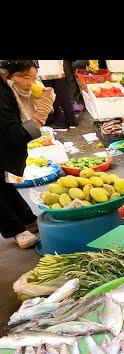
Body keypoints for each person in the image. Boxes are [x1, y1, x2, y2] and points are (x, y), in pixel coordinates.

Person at [0, 61, 42, 249]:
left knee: (4, 181)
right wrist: (38, 121)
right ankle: (17, 230)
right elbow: (14, 132)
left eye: (33, 78)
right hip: (5, 140)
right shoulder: (1, 95)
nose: (30, 83)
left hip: (5, 145)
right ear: (7, 74)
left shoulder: (10, 90)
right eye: (25, 77)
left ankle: (27, 219)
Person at [2, 60, 56, 130]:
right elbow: (18, 135)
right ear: (7, 76)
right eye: (26, 78)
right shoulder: (4, 98)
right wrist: (43, 111)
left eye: (34, 78)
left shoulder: (29, 94)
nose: (30, 83)